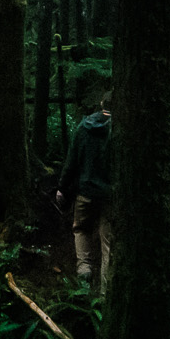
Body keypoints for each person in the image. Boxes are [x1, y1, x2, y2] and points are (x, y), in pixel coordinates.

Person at [56, 73, 114, 287]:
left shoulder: (83, 127)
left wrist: (62, 187)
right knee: (108, 243)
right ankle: (105, 294)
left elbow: (72, 161)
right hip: (109, 195)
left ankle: (84, 272)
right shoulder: (118, 130)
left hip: (86, 192)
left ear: (101, 104)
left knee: (81, 229)